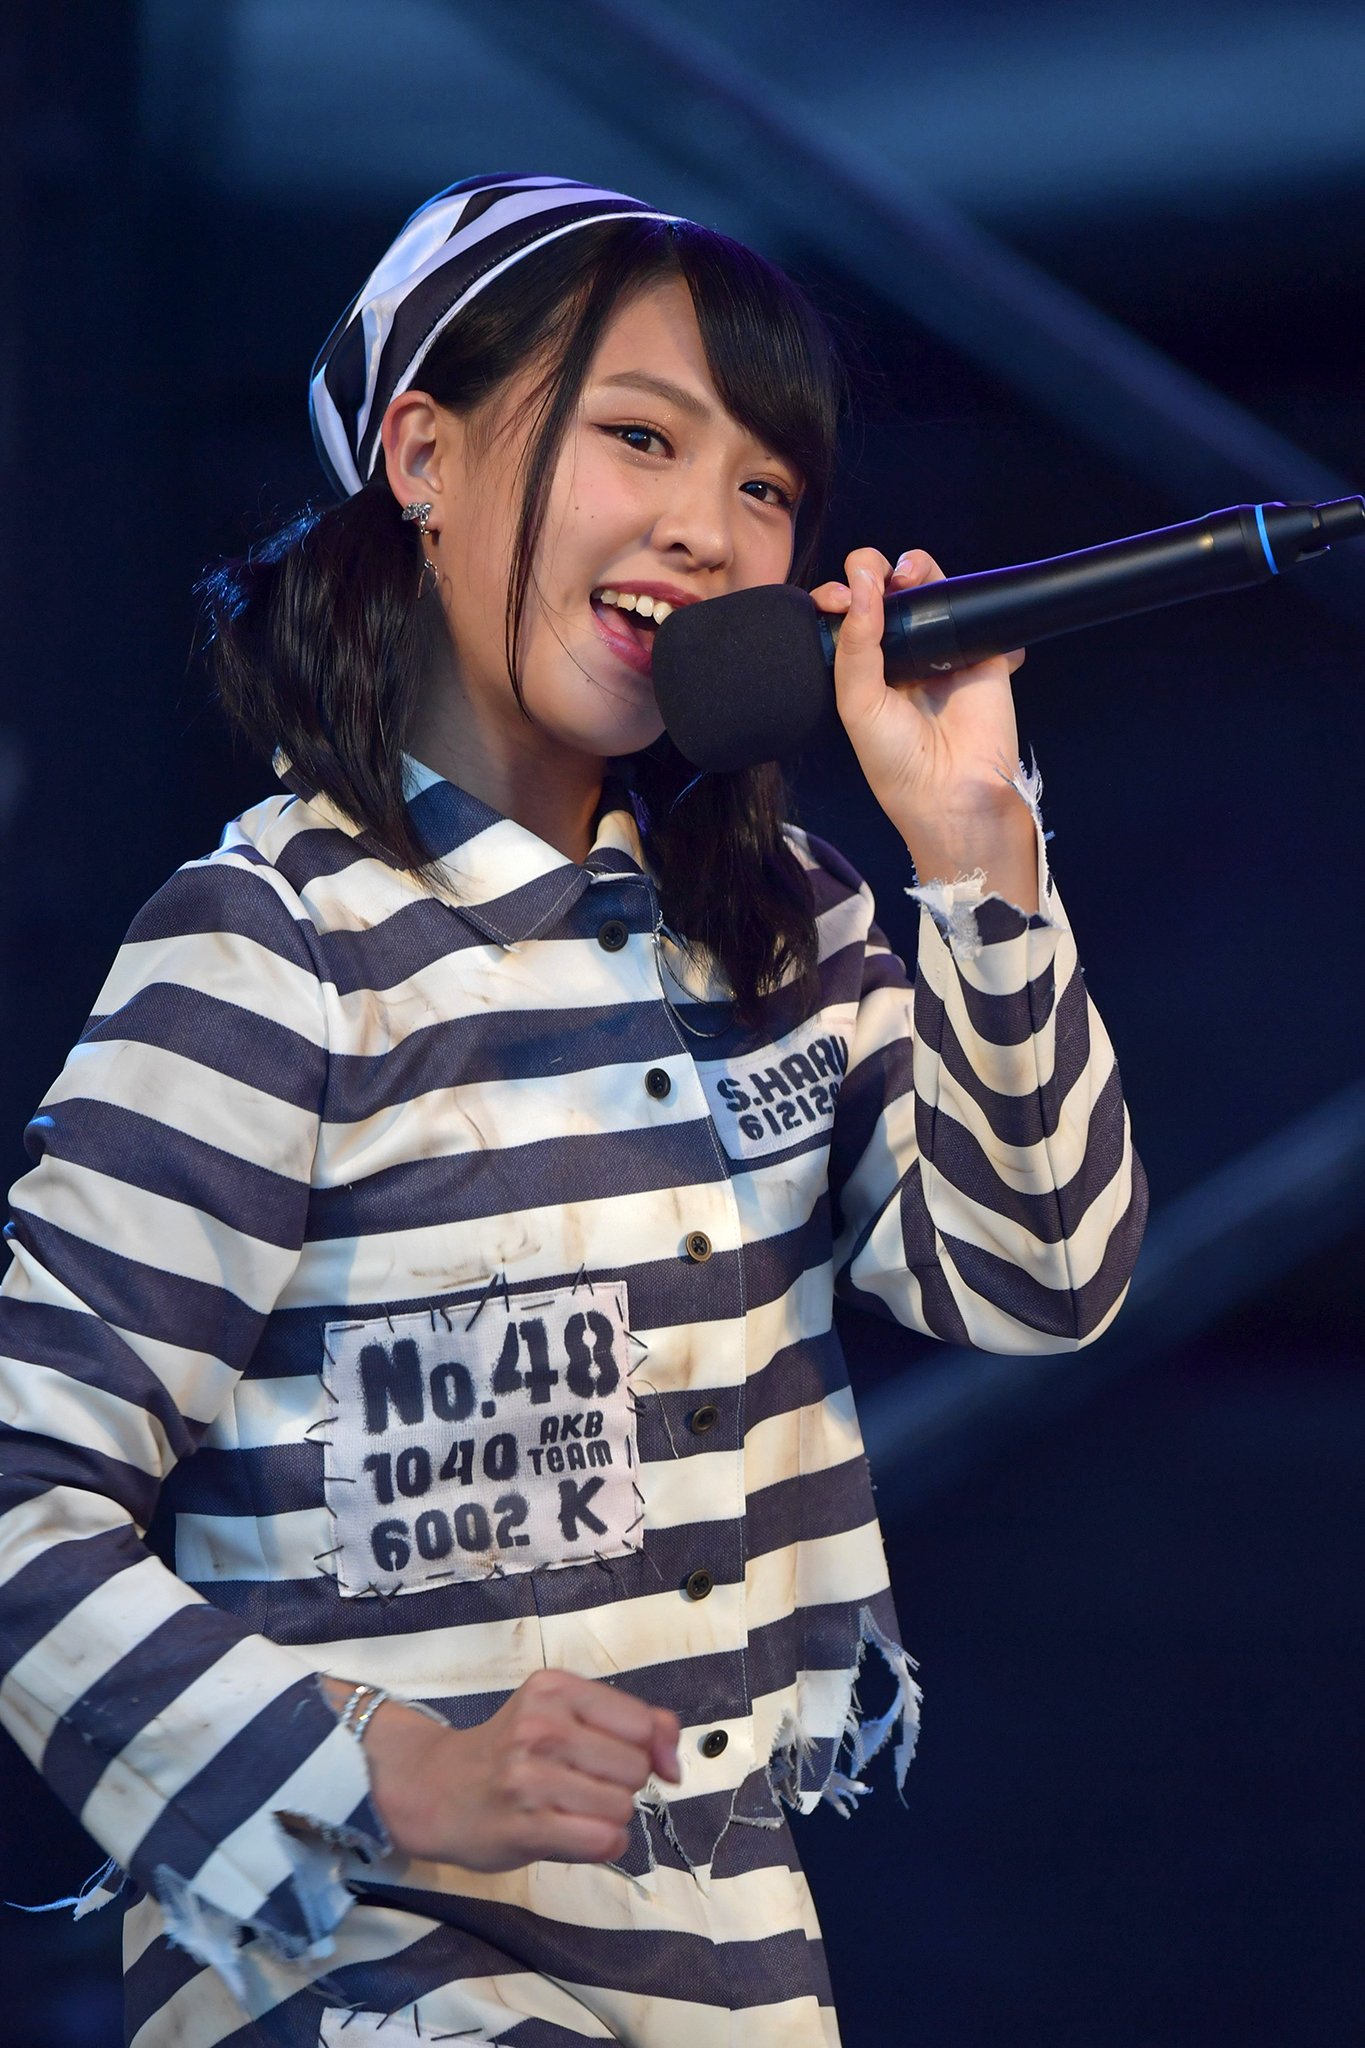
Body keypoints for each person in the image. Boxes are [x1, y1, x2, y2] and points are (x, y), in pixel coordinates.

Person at [0, 173, 1146, 2046]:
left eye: (768, 487)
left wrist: (974, 850)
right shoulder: (277, 949)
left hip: (725, 1955)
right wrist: (384, 1770)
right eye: (640, 437)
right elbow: (23, 1489)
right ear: (424, 457)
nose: (708, 527)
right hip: (350, 1964)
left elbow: (1041, 1282)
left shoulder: (786, 932)